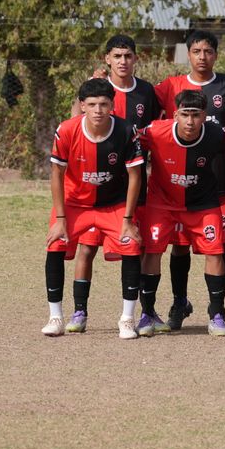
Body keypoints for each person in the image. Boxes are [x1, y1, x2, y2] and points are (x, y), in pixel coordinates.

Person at [153, 30, 225, 330]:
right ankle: (180, 302)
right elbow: (135, 94)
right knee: (179, 246)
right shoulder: (170, 86)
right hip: (180, 186)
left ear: (216, 54)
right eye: (196, 51)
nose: (202, 57)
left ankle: (218, 310)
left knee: (218, 246)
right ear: (188, 54)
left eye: (208, 51)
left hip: (218, 182)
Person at [66, 34, 161, 333]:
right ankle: (79, 312)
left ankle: (145, 313)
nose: (122, 61)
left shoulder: (146, 91)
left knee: (136, 246)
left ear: (135, 59)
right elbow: (74, 122)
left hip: (133, 183)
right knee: (87, 247)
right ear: (107, 59)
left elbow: (156, 129)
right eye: (117, 56)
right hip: (96, 185)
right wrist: (85, 88)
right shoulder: (98, 89)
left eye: (128, 56)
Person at [42, 78, 143, 339]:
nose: (98, 110)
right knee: (55, 244)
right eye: (92, 104)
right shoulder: (66, 130)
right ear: (82, 105)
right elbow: (56, 173)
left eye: (104, 104)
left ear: (112, 105)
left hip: (113, 205)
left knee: (131, 245)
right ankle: (55, 317)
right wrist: (60, 218)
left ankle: (127, 319)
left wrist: (128, 219)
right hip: (75, 204)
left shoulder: (126, 130)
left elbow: (135, 175)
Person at [136, 90, 225, 336]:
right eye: (185, 115)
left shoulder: (216, 134)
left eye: (195, 115)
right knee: (152, 251)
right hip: (162, 203)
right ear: (175, 115)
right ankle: (147, 314)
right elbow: (126, 138)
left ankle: (217, 315)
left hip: (203, 204)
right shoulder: (155, 131)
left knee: (215, 252)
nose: (190, 121)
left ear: (205, 116)